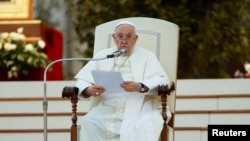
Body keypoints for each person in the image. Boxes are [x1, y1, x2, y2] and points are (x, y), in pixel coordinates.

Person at [75, 20, 172, 141]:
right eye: (120, 36)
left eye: (129, 37)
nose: (124, 40)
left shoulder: (147, 56)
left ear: (135, 38)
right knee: (89, 122)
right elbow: (82, 80)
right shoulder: (103, 55)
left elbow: (163, 80)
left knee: (143, 126)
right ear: (114, 38)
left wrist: (140, 86)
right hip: (108, 108)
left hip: (140, 108)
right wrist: (88, 89)